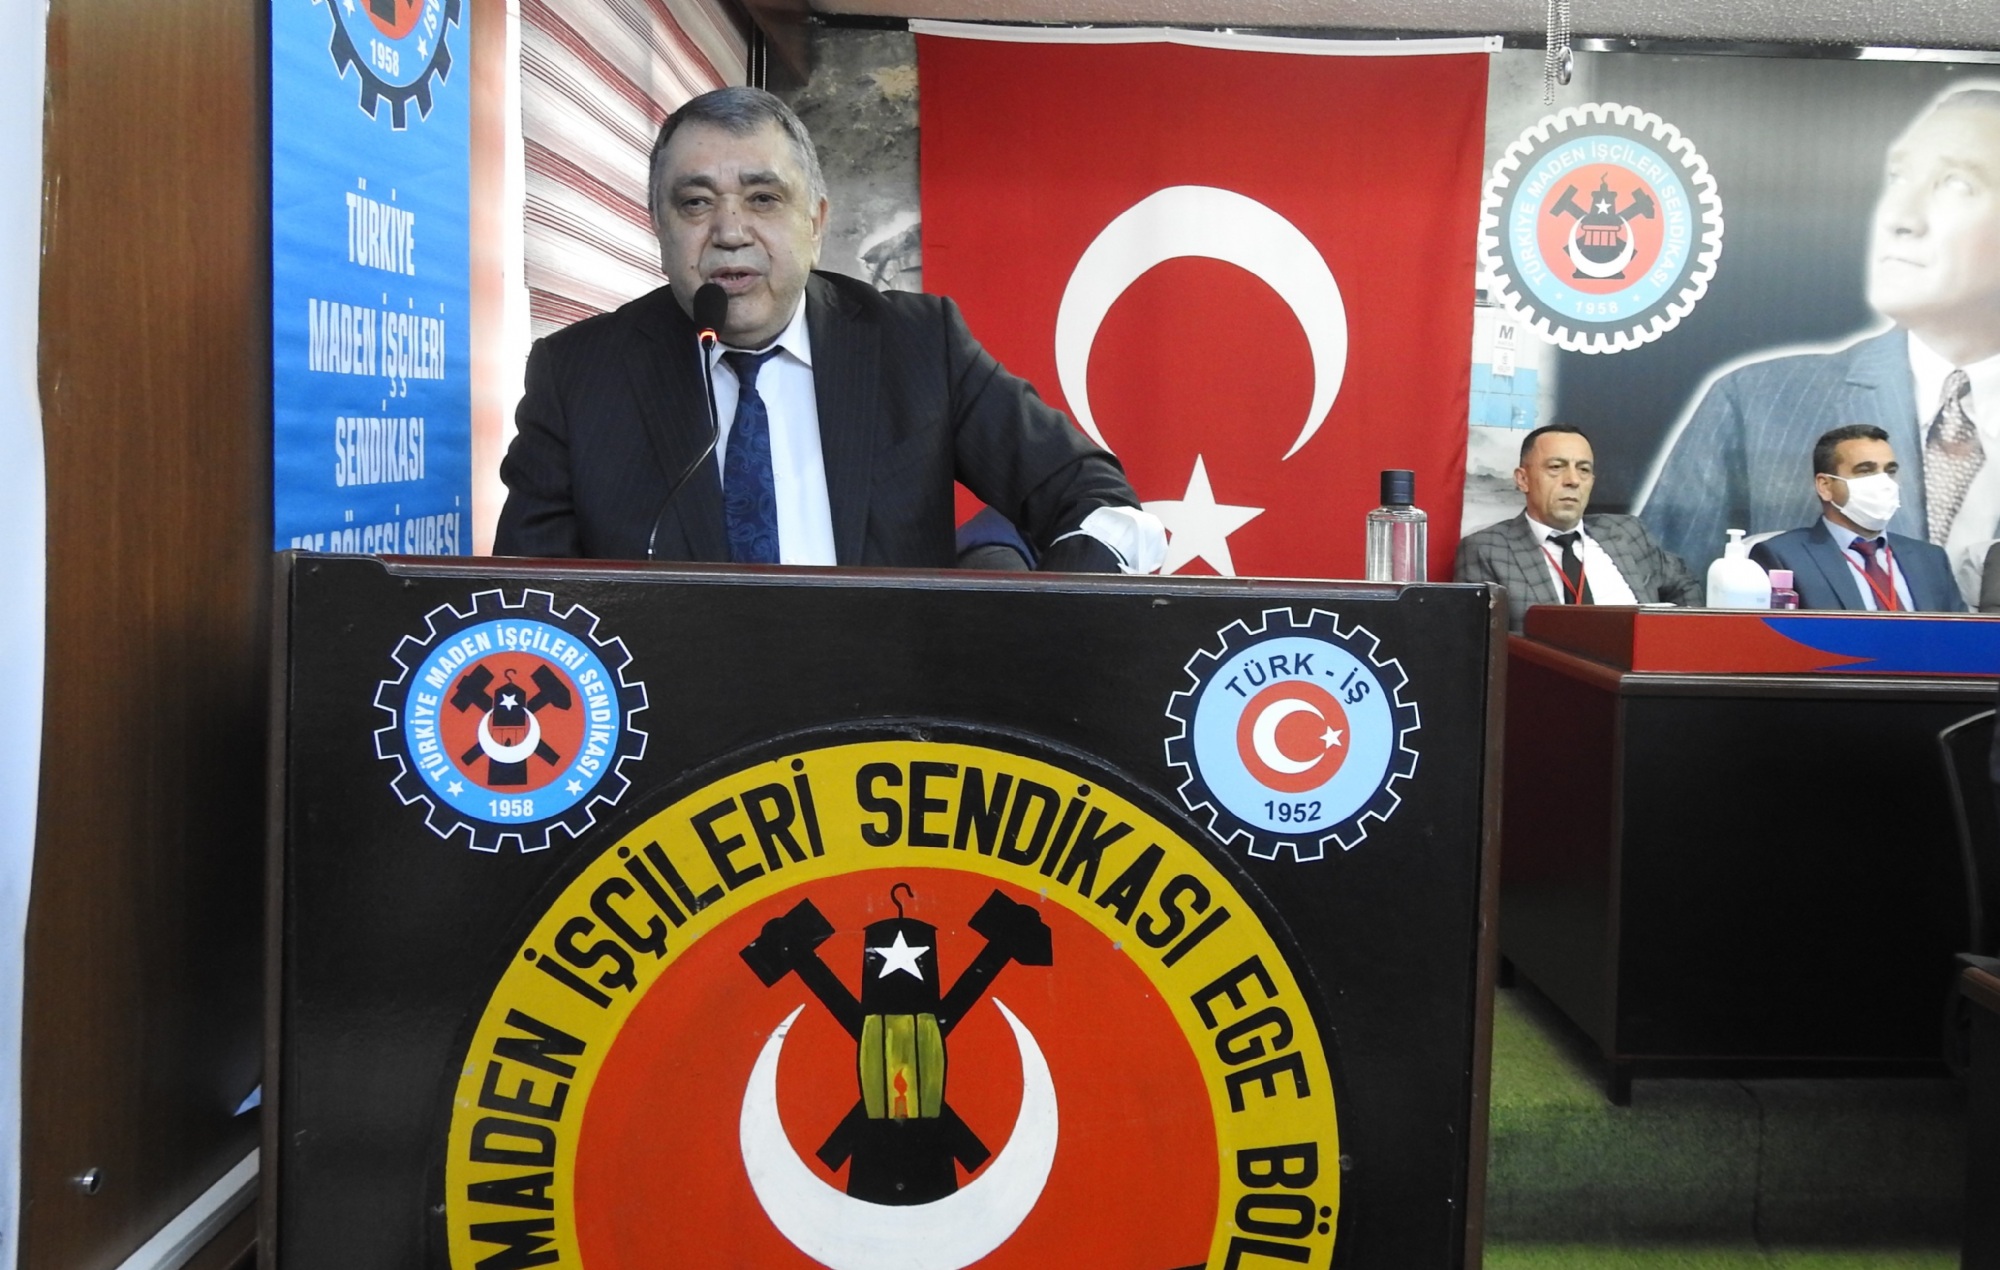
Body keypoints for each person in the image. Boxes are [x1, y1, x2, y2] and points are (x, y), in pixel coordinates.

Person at [494, 88, 1163, 573]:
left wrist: (1053, 615)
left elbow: (1094, 498)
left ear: (815, 223)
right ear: (659, 229)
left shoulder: (919, 346)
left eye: (763, 199)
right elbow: (528, 603)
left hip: (883, 720)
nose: (729, 232)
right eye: (695, 203)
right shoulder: (577, 376)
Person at [1641, 86, 2000, 604]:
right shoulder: (1756, 401)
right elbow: (1665, 598)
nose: (1900, 217)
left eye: (1957, 184)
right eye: (1899, 177)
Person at [1454, 424, 1703, 632]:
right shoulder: (1488, 549)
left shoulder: (1628, 532)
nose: (1573, 480)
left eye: (1583, 470)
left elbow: (1685, 585)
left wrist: (1679, 645)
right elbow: (1480, 642)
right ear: (1523, 479)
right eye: (1556, 467)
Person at [1748, 424, 1967, 611]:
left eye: (1890, 471)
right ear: (1825, 486)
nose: (1884, 482)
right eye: (1865, 470)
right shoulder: (1783, 557)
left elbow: (1962, 637)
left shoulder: (1930, 559)